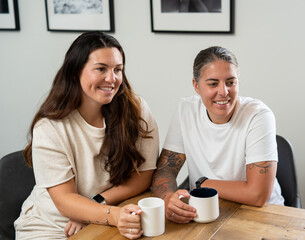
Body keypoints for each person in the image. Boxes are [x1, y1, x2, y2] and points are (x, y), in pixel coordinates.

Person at [14, 31, 159, 239]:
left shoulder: (136, 109)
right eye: (101, 69)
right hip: (52, 226)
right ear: (75, 72)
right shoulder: (49, 127)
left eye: (118, 69)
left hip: (105, 215)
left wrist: (96, 204)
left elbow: (144, 175)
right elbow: (65, 201)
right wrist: (110, 215)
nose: (112, 78)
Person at [151, 46, 284, 224]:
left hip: (262, 215)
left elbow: (257, 195)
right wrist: (168, 198)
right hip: (206, 212)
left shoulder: (258, 115)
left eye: (231, 82)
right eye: (213, 84)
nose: (224, 92)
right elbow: (166, 169)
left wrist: (202, 184)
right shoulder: (185, 110)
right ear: (196, 86)